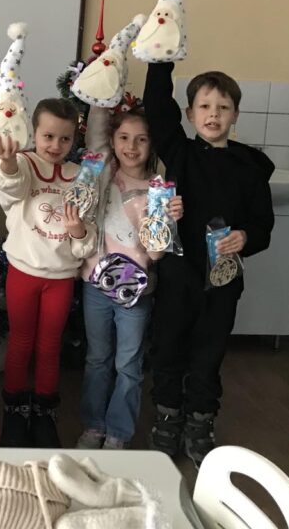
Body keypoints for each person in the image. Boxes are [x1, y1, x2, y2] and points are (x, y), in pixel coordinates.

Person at [141, 62, 274, 467]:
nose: (213, 114)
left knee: (209, 351)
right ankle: (168, 417)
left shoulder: (251, 167)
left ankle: (200, 420)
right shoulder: (180, 153)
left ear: (235, 114)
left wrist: (245, 237)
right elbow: (156, 105)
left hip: (223, 279)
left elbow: (263, 226)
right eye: (204, 106)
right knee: (167, 346)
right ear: (189, 114)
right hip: (178, 275)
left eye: (223, 107)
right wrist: (161, 57)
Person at [76, 101, 183, 450]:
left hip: (135, 292)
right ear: (112, 140)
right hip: (95, 284)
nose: (131, 146)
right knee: (97, 359)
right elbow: (95, 133)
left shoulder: (158, 189)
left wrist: (165, 220)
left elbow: (156, 253)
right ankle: (94, 425)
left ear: (151, 144)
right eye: (123, 137)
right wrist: (100, 93)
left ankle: (118, 432)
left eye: (141, 139)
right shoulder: (102, 173)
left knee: (128, 363)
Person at [0, 98, 96, 447]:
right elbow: (12, 188)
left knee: (50, 346)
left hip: (60, 278)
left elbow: (85, 241)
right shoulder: (22, 164)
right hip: (23, 273)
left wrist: (79, 231)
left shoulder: (81, 176)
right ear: (33, 133)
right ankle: (15, 410)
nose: (55, 145)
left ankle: (44, 412)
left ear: (74, 139)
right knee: (20, 341)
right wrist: (7, 161)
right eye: (48, 136)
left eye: (65, 139)